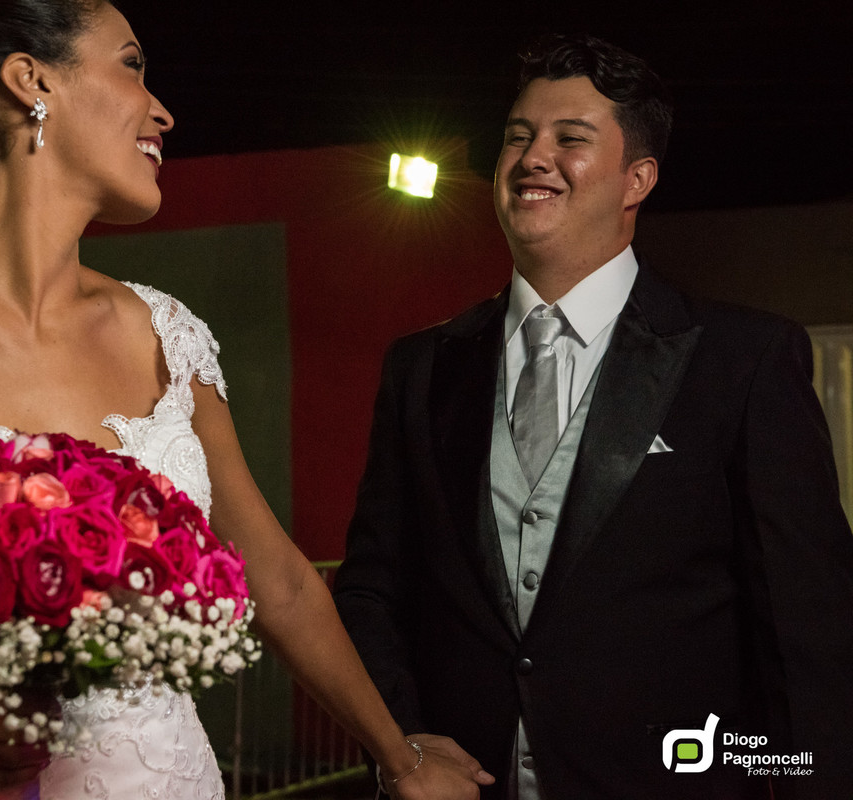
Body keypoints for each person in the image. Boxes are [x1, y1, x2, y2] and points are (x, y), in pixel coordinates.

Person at [0, 2, 497, 799]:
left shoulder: (168, 337)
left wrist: (400, 757)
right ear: (32, 80)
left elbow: (277, 581)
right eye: (132, 65)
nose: (163, 111)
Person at [333, 32, 853, 800]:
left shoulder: (743, 361)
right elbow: (373, 590)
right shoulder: (423, 366)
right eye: (519, 136)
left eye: (570, 139)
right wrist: (399, 743)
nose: (533, 158)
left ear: (637, 178)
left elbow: (808, 636)